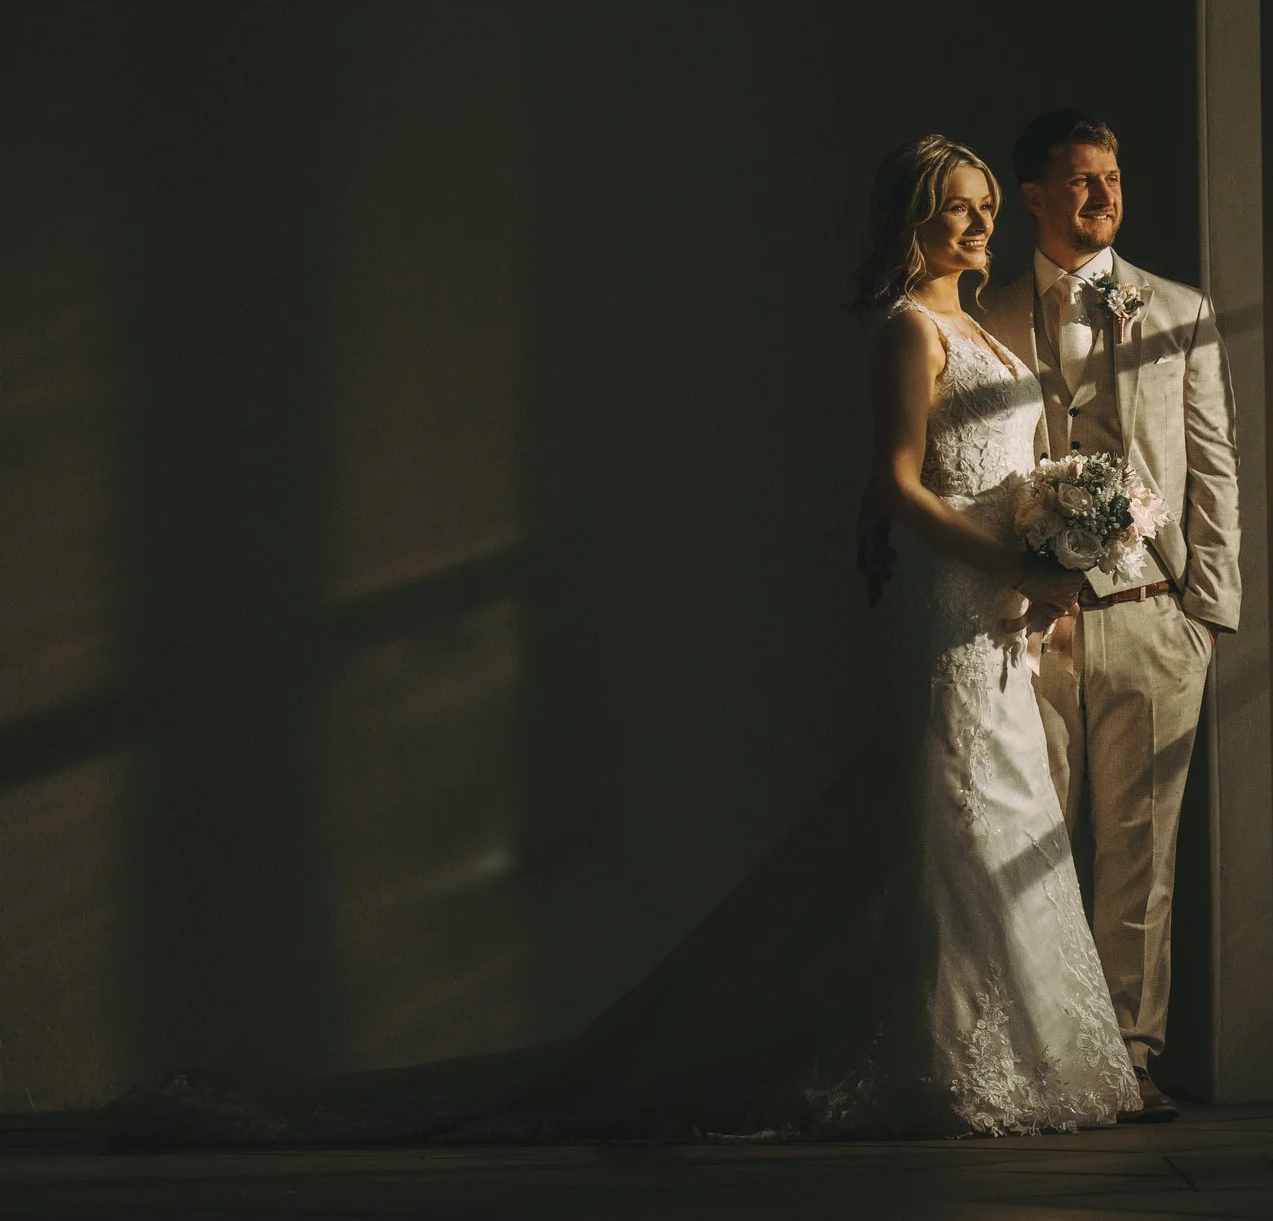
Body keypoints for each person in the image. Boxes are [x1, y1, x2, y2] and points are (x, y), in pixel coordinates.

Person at [106, 134, 1137, 1143]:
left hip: (1001, 614)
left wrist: (1051, 541)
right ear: (914, 217)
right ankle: (947, 1058)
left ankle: (1006, 1047)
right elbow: (900, 487)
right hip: (950, 611)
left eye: (986, 204)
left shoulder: (983, 332)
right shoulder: (909, 331)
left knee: (982, 814)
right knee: (954, 811)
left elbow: (1002, 476)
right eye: (957, 204)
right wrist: (1016, 564)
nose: (980, 220)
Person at [980, 111, 1241, 1123]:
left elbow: (1213, 463)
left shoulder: (1178, 308)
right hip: (1024, 624)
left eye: (1113, 178)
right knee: (1028, 847)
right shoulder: (989, 311)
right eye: (1082, 179)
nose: (1104, 195)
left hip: (1151, 616)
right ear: (1034, 196)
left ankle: (1130, 1056)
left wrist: (1205, 611)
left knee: (1142, 855)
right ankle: (1043, 1057)